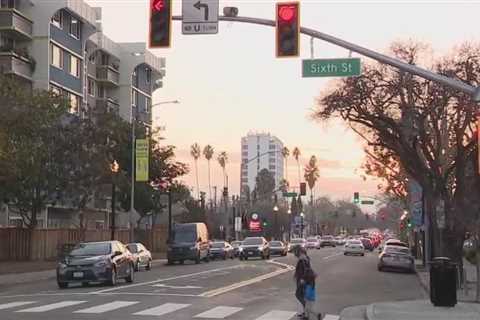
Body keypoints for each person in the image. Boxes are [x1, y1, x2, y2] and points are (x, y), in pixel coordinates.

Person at [294, 246, 311, 319]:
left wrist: (302, 279)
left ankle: (307, 312)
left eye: (296, 252)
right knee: (302, 295)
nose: (295, 254)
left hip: (302, 280)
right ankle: (305, 312)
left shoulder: (302, 259)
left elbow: (306, 269)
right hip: (304, 279)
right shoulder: (305, 258)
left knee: (298, 294)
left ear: (300, 252)